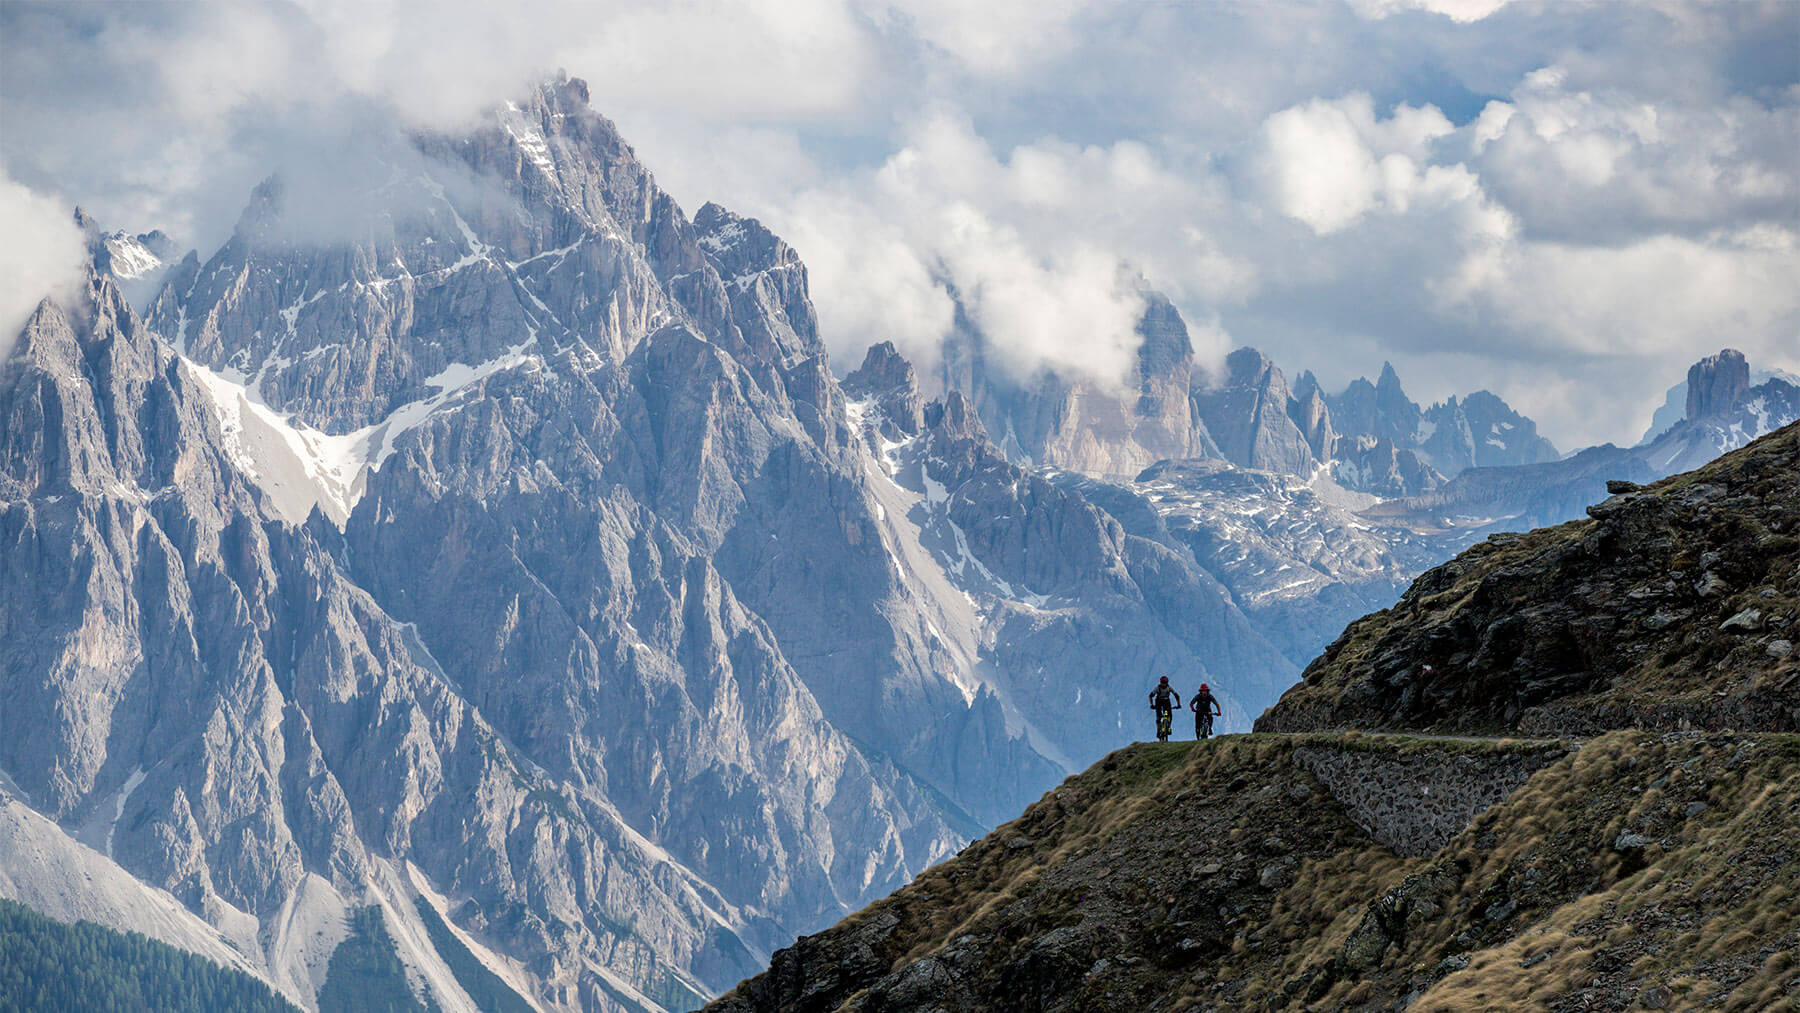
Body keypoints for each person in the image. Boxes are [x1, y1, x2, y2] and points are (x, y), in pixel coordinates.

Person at [1148, 676, 1181, 742]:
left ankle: (1168, 727)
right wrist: (1152, 704)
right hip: (1159, 702)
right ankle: (1158, 730)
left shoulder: (1169, 688)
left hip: (1166, 701)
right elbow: (1151, 695)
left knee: (1169, 715)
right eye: (1163, 683)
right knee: (1158, 717)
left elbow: (1176, 695)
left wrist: (1178, 704)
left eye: (1165, 683)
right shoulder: (1157, 688)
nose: (1164, 684)